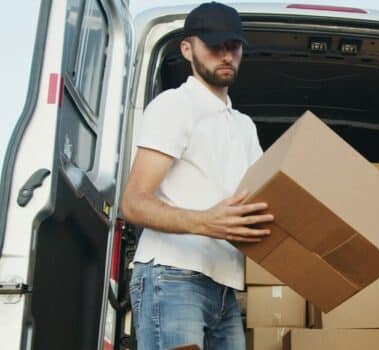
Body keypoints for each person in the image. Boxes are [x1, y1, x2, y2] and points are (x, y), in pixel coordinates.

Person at [120, 3, 272, 349]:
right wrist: (206, 222)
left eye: (233, 47)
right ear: (187, 49)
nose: (225, 55)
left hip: (224, 288)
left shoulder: (244, 126)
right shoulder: (176, 105)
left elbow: (263, 200)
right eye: (214, 45)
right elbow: (132, 202)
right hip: (172, 277)